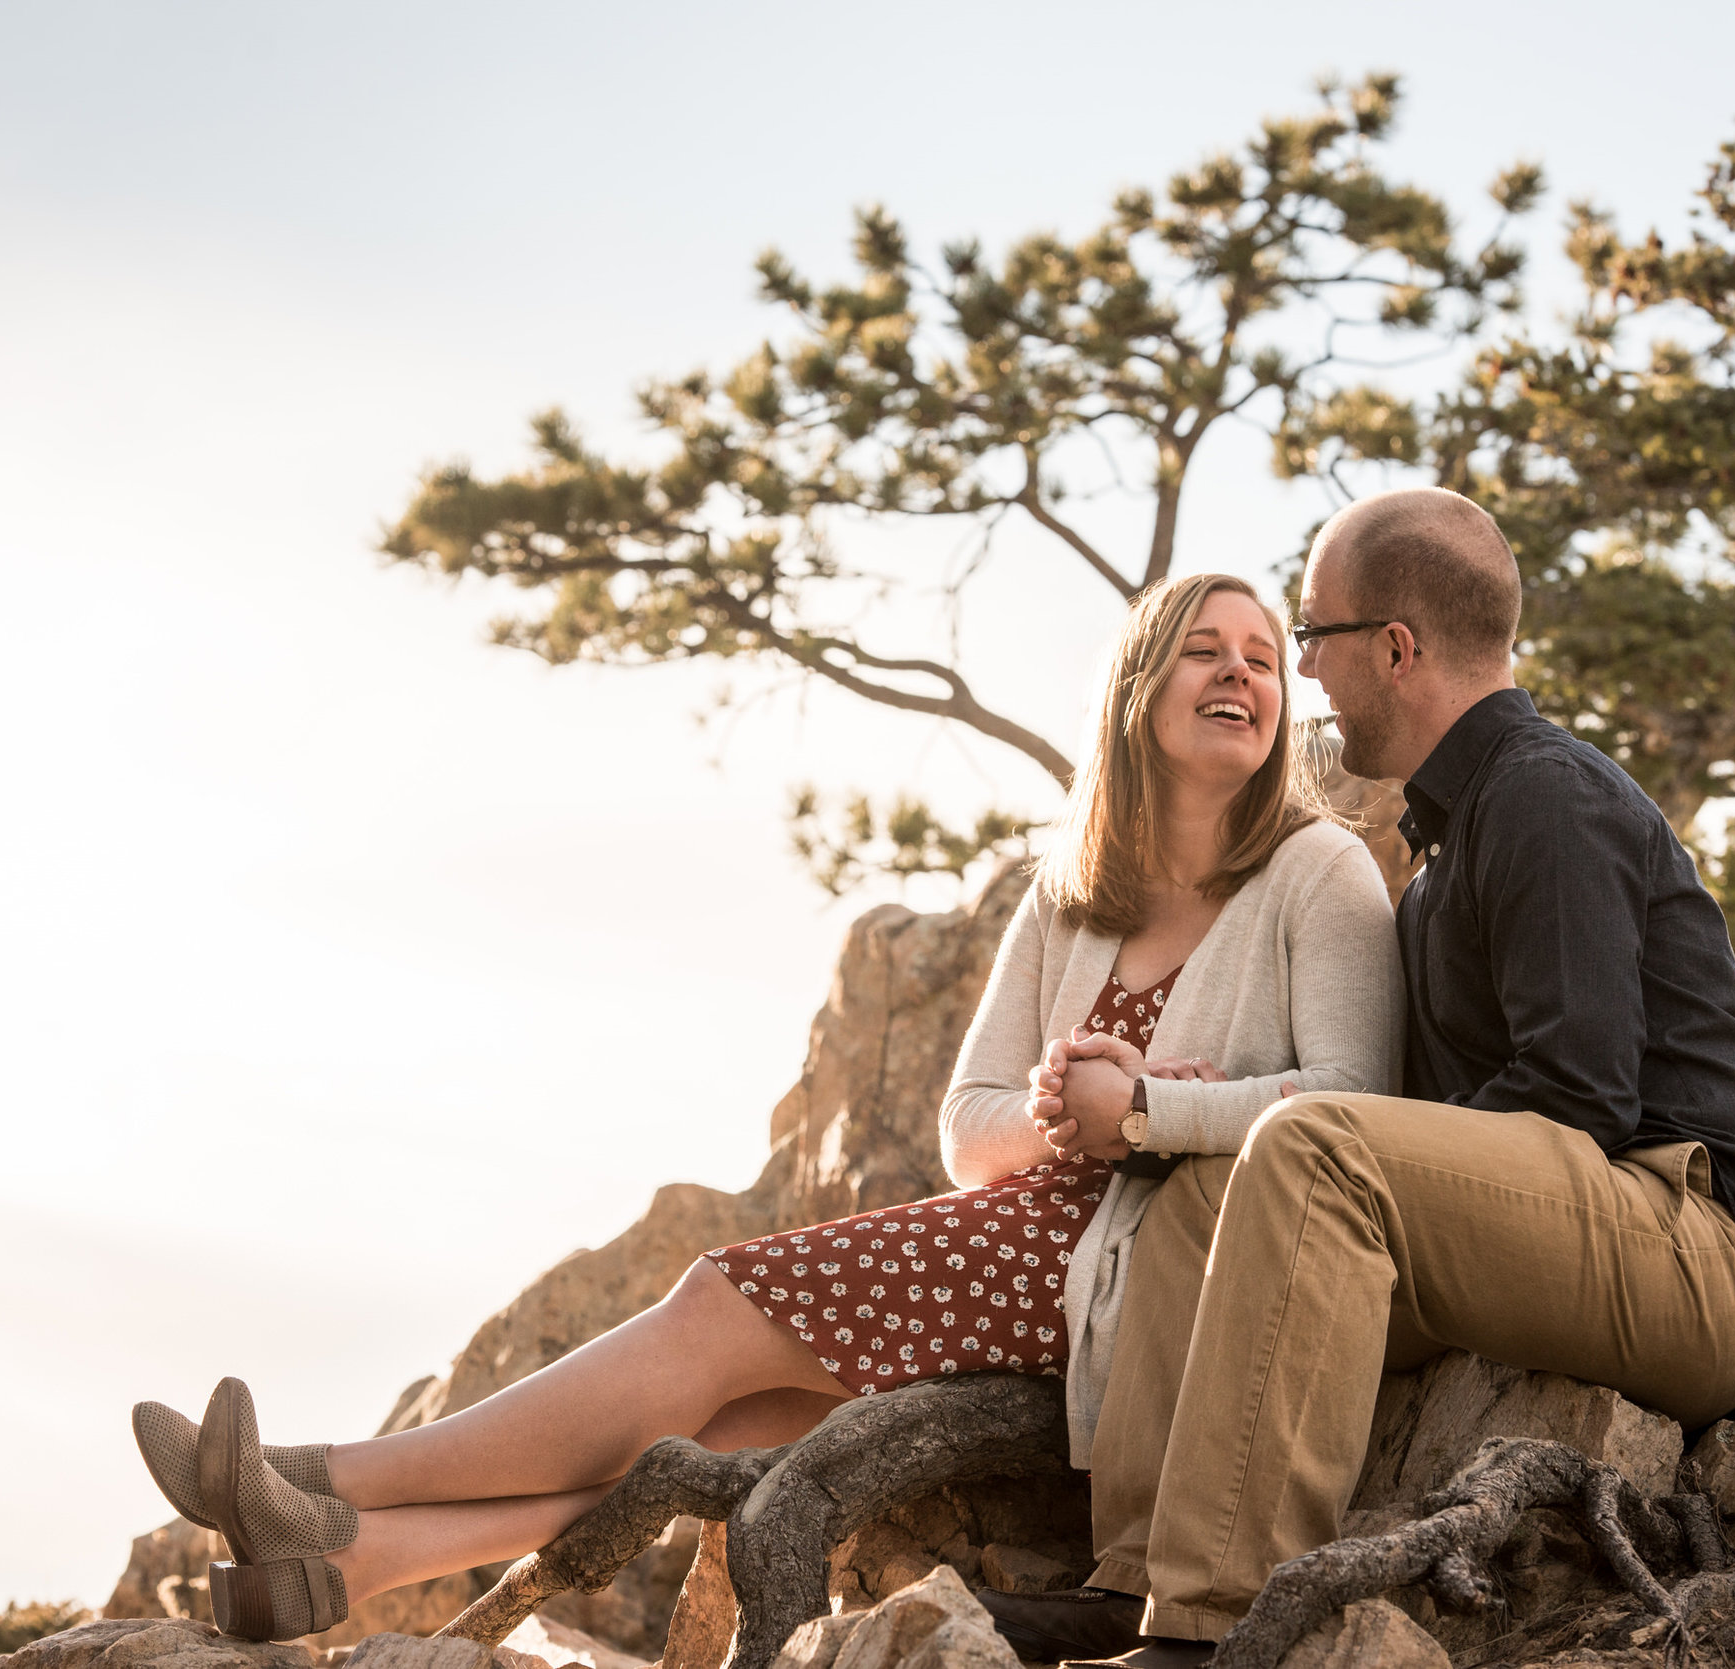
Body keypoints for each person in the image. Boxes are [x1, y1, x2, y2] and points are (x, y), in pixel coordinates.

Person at [130, 572, 1405, 1643]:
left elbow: (1360, 1106)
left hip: (1163, 1263)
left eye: (1262, 657)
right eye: (1203, 650)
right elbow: (971, 1133)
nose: (1242, 673)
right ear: (1139, 687)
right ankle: (345, 1572)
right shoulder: (1070, 890)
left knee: (716, 1306)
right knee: (738, 1422)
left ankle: (324, 1482)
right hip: (1025, 1232)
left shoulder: (1316, 869)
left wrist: (1150, 1116)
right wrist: (1066, 1115)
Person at [980, 488, 1735, 1669]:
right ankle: (1133, 1579)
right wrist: (1198, 1106)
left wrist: (1334, 1146)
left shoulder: (1545, 794)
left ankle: (1212, 1628)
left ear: (1394, 647)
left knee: (1312, 1146)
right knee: (1207, 1188)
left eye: (1312, 640)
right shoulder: (1443, 847)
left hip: (1703, 1258)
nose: (1309, 683)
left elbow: (1580, 1093)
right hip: (1568, 1228)